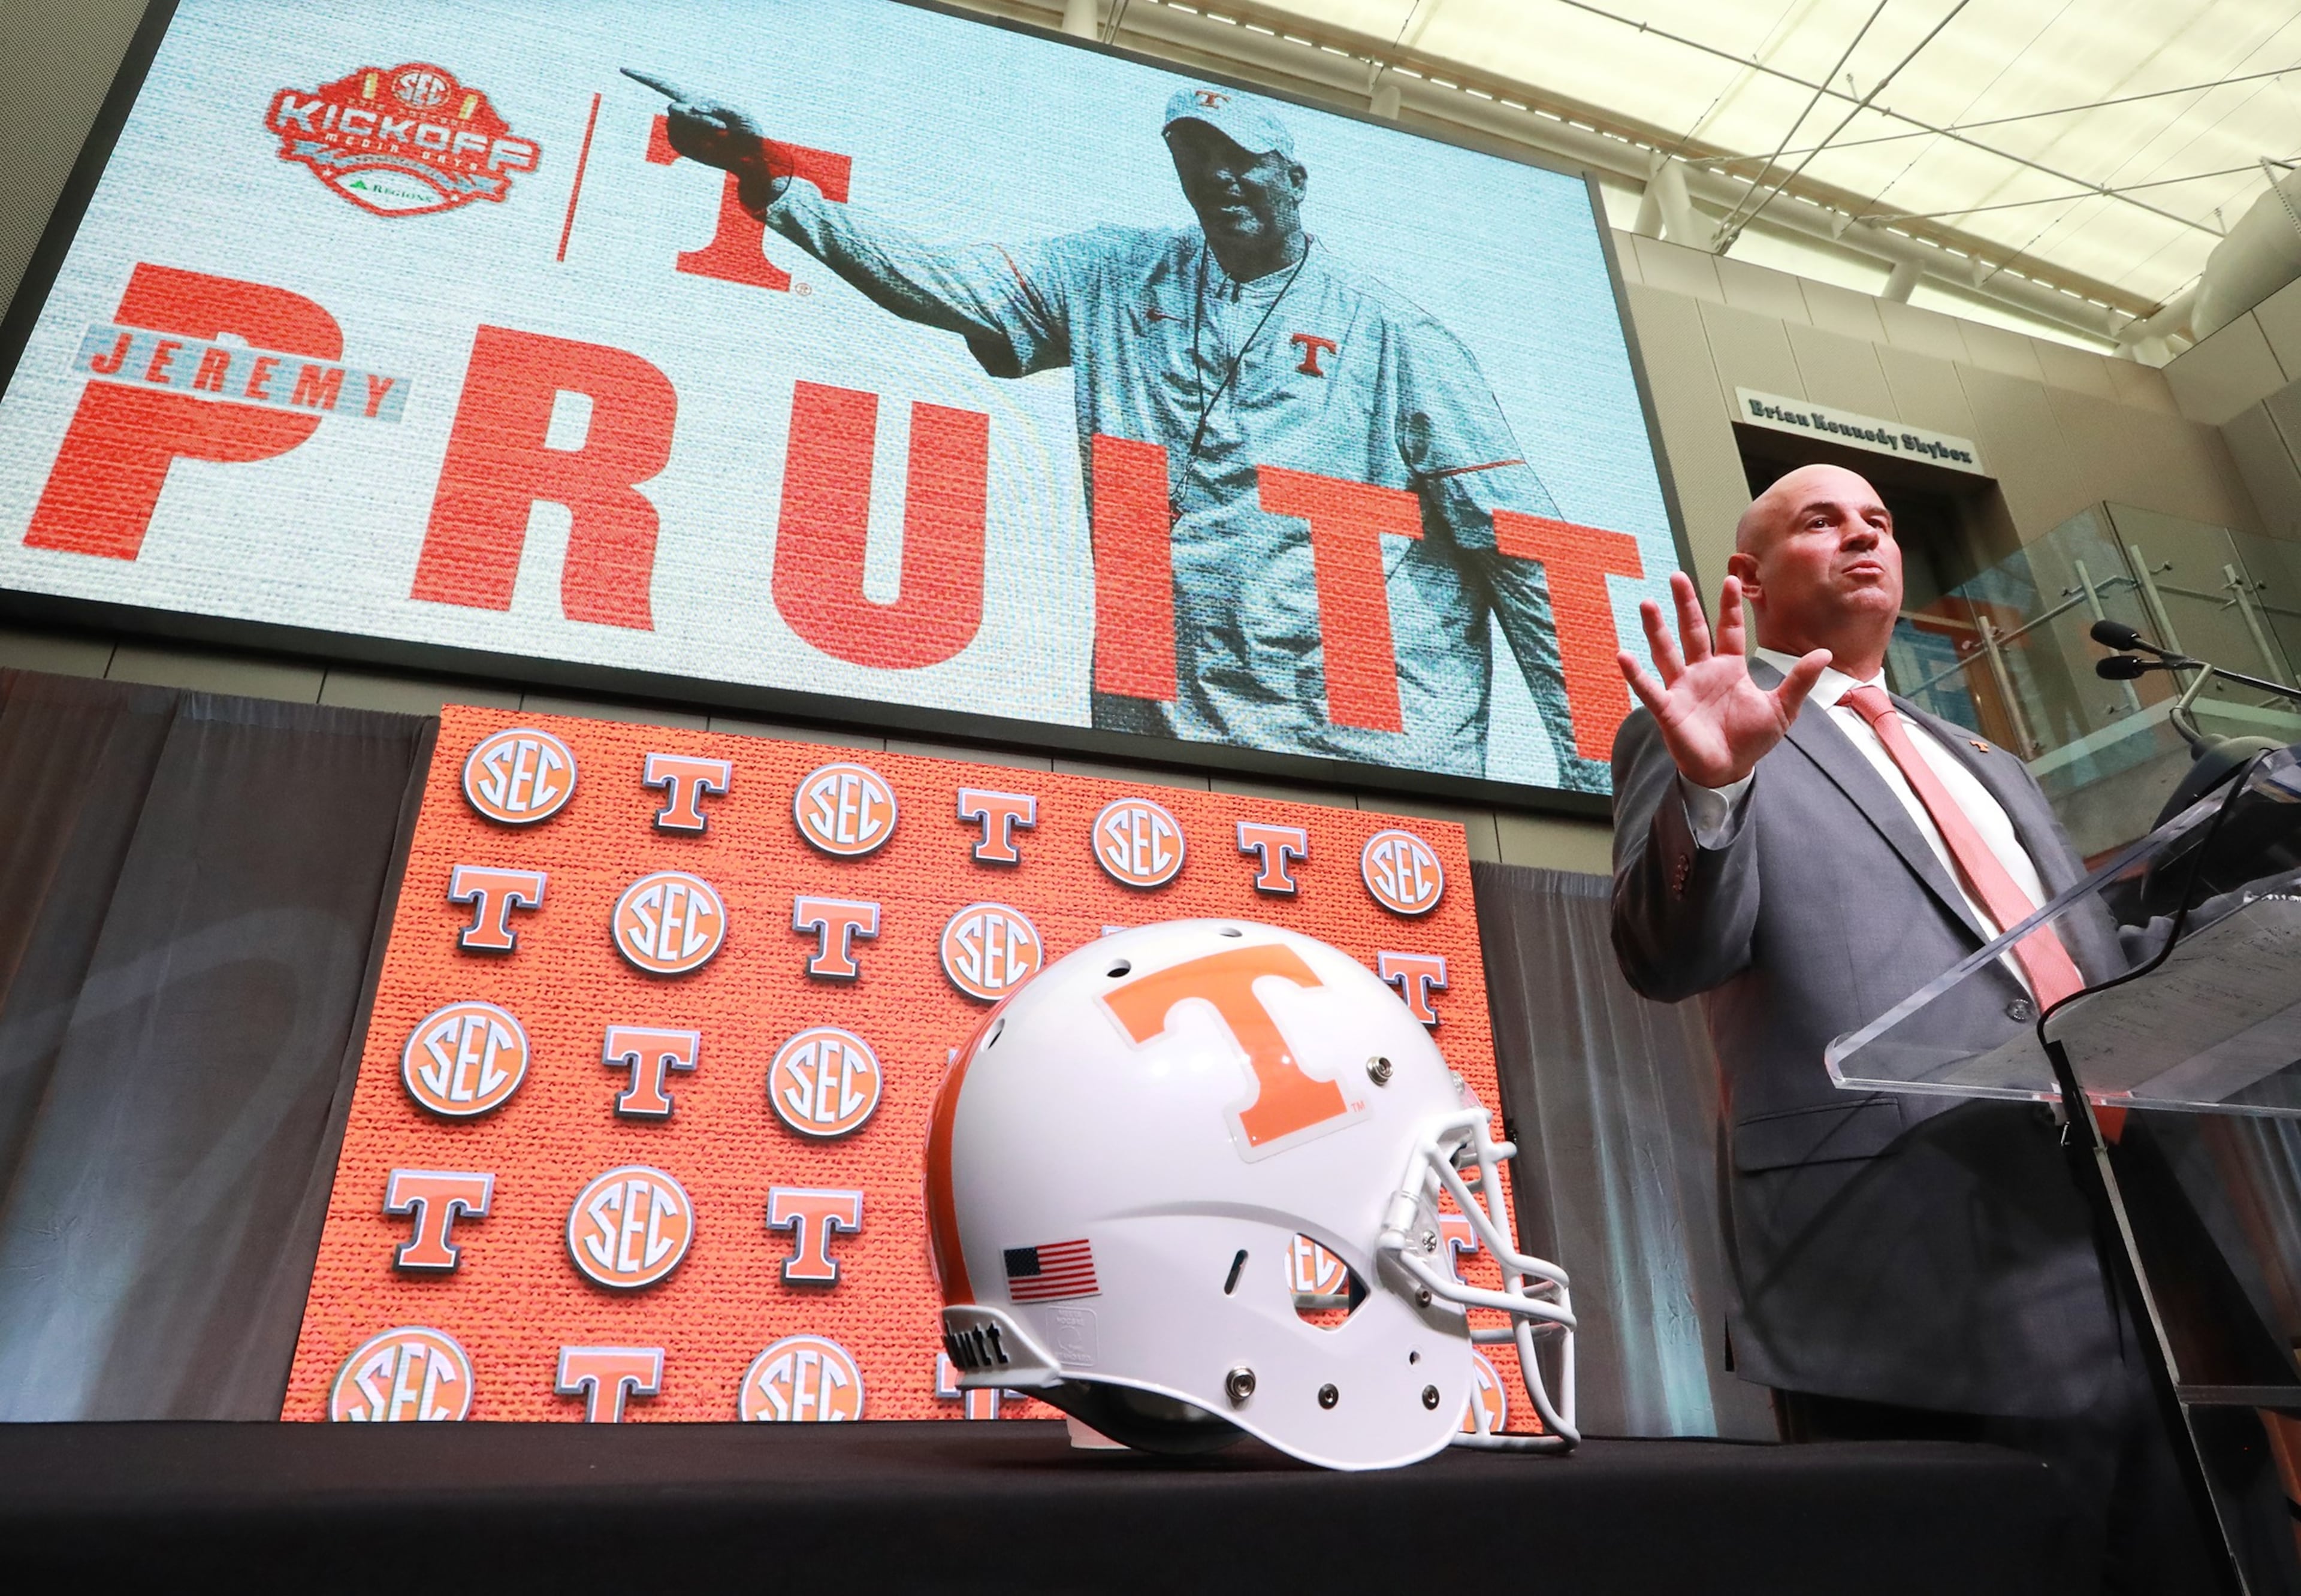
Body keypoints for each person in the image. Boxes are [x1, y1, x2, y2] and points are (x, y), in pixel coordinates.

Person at [627, 69, 1605, 789]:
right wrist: (773, 184)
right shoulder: (1112, 274)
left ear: (1296, 180)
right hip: (1172, 750)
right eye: (1196, 161)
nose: (1219, 180)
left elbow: (1535, 553)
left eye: (1244, 162)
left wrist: (1602, 787)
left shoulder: (1395, 335)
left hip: (1361, 760)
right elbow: (936, 278)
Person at [1610, 463, 2215, 1591]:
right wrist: (1714, 794)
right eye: (1821, 521)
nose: (1863, 537)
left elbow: (2084, 971)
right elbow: (1670, 955)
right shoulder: (1710, 728)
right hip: (1905, 1263)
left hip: (2129, 1239)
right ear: (1746, 575)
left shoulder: (1989, 761)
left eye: (1881, 523)